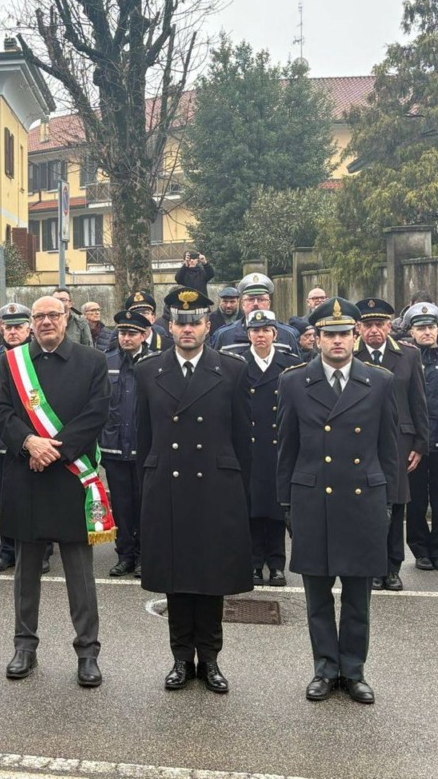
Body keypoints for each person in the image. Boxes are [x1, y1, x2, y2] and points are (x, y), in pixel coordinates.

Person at [278, 298, 399, 704]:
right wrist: (286, 504)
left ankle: (354, 671)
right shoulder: (294, 381)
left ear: (356, 337)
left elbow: (389, 448)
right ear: (315, 339)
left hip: (363, 501)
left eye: (344, 334)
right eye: (328, 334)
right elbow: (286, 449)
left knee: (357, 597)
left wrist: (389, 503)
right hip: (313, 499)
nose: (337, 341)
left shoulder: (379, 381)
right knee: (316, 598)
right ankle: (325, 670)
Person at [0, 295, 111, 688]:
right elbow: (0, 412)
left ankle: (87, 652)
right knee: (26, 571)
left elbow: (97, 413)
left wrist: (53, 450)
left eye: (51, 315)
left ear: (65, 318)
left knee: (80, 573)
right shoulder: (12, 362)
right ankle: (24, 647)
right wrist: (29, 443)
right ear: (29, 324)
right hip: (27, 475)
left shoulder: (91, 361)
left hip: (71, 476)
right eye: (37, 317)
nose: (45, 322)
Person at [135, 287, 252, 695]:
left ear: (208, 326)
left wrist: (241, 490)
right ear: (170, 327)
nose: (188, 329)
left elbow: (243, 438)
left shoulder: (233, 370)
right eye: (181, 323)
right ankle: (181, 659)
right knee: (176, 576)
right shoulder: (149, 371)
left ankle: (212, 659)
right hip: (168, 482)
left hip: (216, 486)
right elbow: (143, 437)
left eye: (195, 322)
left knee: (212, 576)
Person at [355, 298, 428, 592]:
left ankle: (392, 567)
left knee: (396, 504)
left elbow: (418, 401)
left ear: (389, 326)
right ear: (358, 328)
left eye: (379, 324)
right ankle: (372, 566)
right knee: (367, 504)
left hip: (399, 439)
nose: (374, 330)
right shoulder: (352, 355)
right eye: (368, 325)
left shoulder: (408, 356)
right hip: (361, 440)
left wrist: (421, 443)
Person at [242, 309, 304, 586]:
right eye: (255, 331)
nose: (260, 335)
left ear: (275, 334)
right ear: (248, 335)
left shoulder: (289, 364)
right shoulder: (239, 364)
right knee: (253, 508)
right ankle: (254, 562)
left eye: (266, 330)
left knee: (278, 508)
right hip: (251, 445)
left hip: (280, 446)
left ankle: (277, 564)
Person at [0, 304, 36, 572]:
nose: (13, 332)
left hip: (36, 444)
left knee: (36, 500)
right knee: (6, 500)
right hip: (0, 444)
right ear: (1, 328)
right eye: (8, 327)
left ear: (29, 328)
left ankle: (40, 550)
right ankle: (7, 550)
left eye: (18, 327)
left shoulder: (38, 358)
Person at [403, 302, 438, 572]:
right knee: (415, 499)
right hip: (415, 442)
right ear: (411, 332)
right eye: (420, 328)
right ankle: (419, 550)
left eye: (431, 327)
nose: (427, 332)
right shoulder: (405, 358)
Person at [100, 310, 148, 578]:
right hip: (114, 447)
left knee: (144, 505)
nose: (126, 338)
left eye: (131, 333)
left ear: (144, 335)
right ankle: (125, 555)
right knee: (121, 506)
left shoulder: (154, 362)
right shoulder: (105, 362)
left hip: (143, 448)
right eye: (122, 333)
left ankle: (143, 556)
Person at [210, 274, 301, 355]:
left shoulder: (288, 334)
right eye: (250, 299)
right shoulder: (223, 335)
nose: (256, 304)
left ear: (269, 303)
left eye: (261, 299)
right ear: (242, 304)